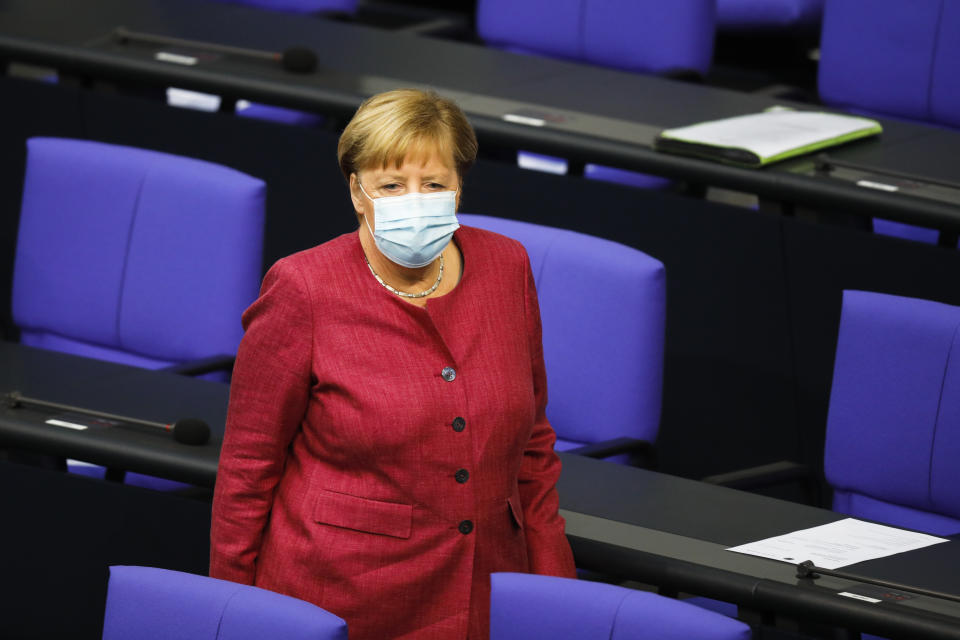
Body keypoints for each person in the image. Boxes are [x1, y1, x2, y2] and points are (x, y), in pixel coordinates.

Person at [209, 88, 576, 639]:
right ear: (357, 192)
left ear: (459, 187)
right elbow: (248, 466)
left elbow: (533, 449)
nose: (415, 200)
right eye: (390, 185)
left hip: (486, 590)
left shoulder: (507, 266)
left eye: (434, 184)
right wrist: (233, 612)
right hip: (341, 596)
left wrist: (556, 591)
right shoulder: (303, 287)